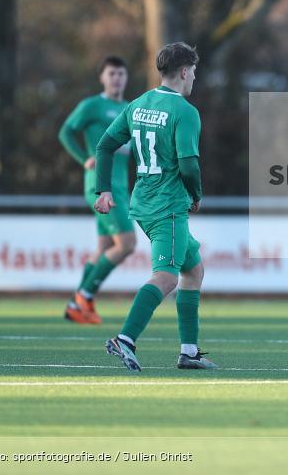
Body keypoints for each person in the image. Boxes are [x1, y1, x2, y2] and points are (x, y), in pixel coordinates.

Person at [94, 42, 216, 371]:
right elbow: (188, 164)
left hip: (144, 202)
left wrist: (103, 189)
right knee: (166, 277)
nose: (194, 79)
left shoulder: (139, 104)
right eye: (194, 73)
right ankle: (125, 339)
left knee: (194, 269)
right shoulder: (185, 112)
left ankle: (189, 351)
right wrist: (197, 194)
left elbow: (105, 146)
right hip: (168, 205)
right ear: (184, 72)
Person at [58, 56, 137, 324]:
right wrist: (84, 159)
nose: (117, 78)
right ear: (102, 77)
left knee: (104, 247)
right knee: (127, 244)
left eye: (121, 74)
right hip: (101, 186)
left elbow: (132, 149)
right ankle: (84, 296)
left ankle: (75, 306)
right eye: (112, 73)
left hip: (121, 188)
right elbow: (66, 132)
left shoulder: (129, 109)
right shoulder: (92, 106)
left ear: (126, 78)